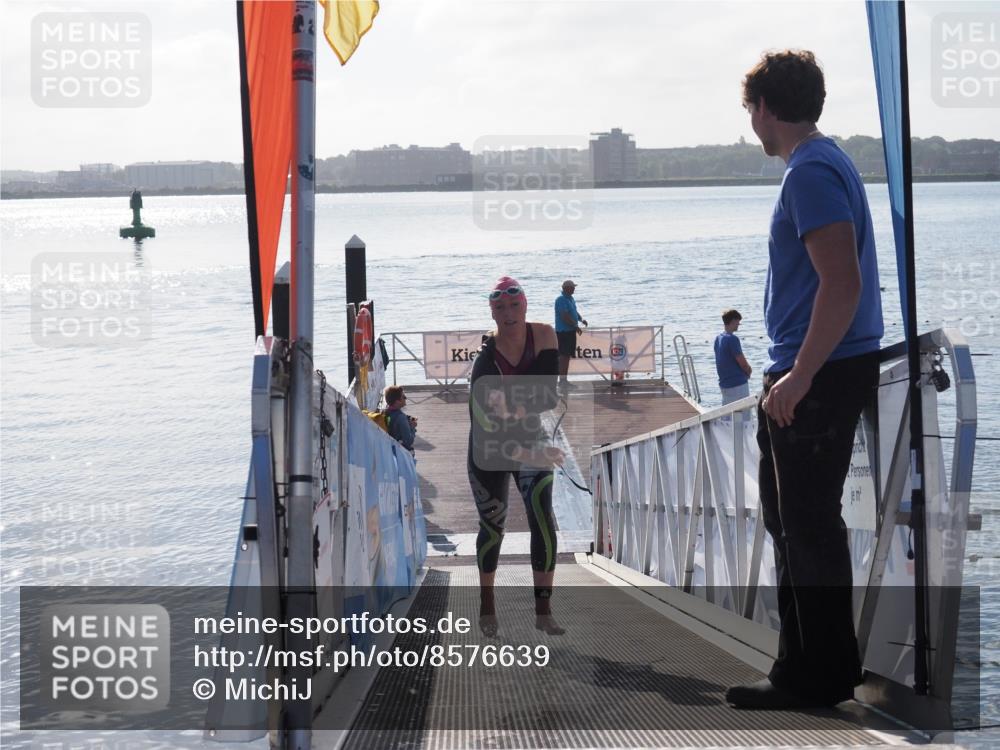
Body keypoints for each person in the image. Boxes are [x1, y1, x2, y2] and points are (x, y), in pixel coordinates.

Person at [725, 50, 884, 710]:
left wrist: (799, 376)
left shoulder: (810, 172)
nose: (751, 126)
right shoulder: (824, 163)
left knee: (807, 525)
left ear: (766, 107)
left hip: (816, 374)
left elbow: (841, 284)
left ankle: (810, 676)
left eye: (751, 112)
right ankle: (813, 665)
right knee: (793, 522)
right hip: (820, 369)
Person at [469, 276, 566, 636]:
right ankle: (487, 603)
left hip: (529, 436)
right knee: (493, 528)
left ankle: (544, 611)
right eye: (500, 308)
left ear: (525, 305)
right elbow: (489, 431)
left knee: (543, 518)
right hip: (488, 446)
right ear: (492, 313)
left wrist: (516, 410)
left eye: (515, 305)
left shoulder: (543, 335)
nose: (509, 313)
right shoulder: (486, 364)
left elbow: (548, 397)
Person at [553, 279, 587, 390]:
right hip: (563, 332)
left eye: (574, 287)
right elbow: (564, 316)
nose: (574, 289)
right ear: (566, 288)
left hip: (570, 332)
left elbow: (574, 311)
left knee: (567, 356)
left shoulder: (570, 299)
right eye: (572, 287)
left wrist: (581, 319)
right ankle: (562, 381)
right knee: (563, 356)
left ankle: (564, 380)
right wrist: (575, 326)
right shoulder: (561, 300)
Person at [714, 309, 752, 404]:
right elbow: (743, 364)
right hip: (737, 384)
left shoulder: (718, 338)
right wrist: (749, 371)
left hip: (724, 384)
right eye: (738, 322)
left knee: (728, 416)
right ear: (733, 321)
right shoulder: (732, 339)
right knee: (744, 415)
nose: (739, 324)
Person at [383, 385, 416, 452]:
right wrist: (412, 427)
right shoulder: (401, 418)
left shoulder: (385, 412)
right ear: (397, 401)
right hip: (399, 453)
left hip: (389, 448)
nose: (405, 398)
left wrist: (407, 418)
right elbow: (408, 441)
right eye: (403, 397)